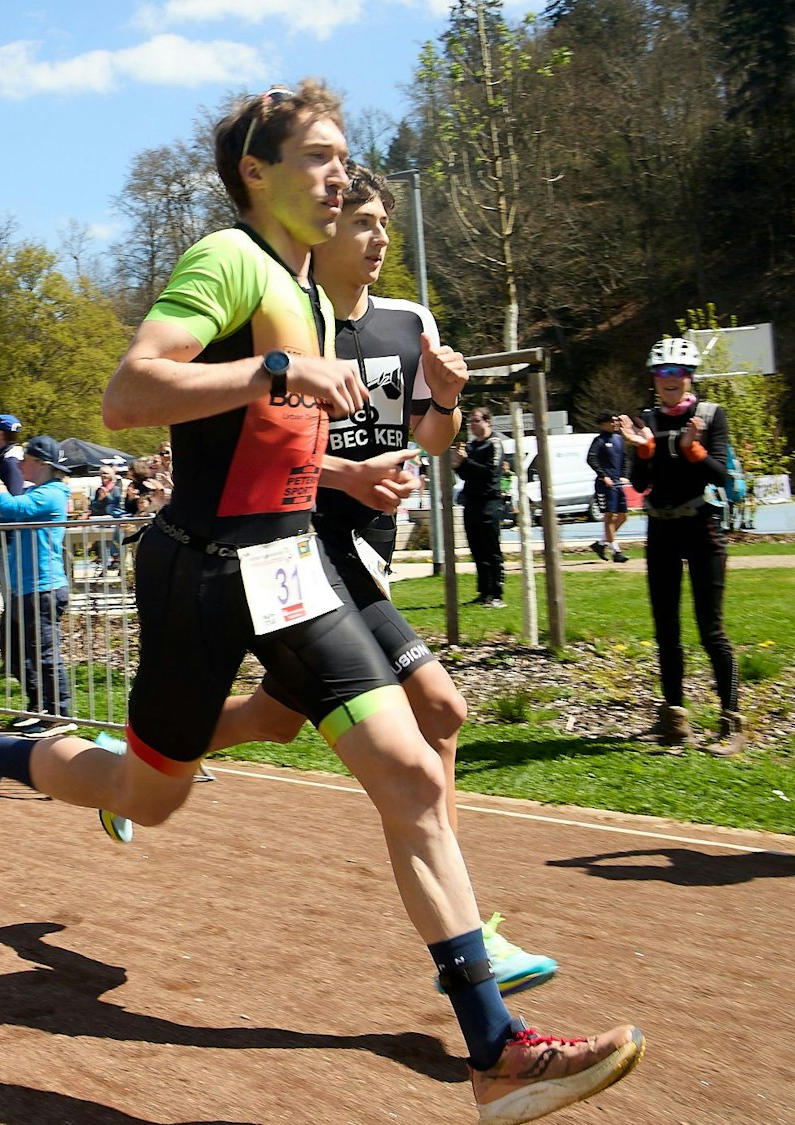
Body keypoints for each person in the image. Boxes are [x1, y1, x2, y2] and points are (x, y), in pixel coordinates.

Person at [0, 82, 639, 1125]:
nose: (338, 174)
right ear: (255, 173)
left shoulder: (312, 291)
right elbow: (128, 394)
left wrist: (344, 453)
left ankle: (495, 1050)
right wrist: (274, 369)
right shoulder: (230, 260)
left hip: (291, 565)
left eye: (342, 156)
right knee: (149, 797)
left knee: (412, 775)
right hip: (202, 572)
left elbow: (282, 437)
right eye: (316, 156)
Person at [200, 161, 557, 996]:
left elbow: (430, 439)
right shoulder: (287, 324)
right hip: (297, 549)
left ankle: (145, 749)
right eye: (362, 222)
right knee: (441, 709)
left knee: (274, 719)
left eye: (385, 224)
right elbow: (252, 453)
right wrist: (348, 476)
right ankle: (469, 936)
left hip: (367, 554)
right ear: (324, 233)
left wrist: (447, 400)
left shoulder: (409, 321)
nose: (379, 238)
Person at [619, 338, 742, 755]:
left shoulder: (710, 415)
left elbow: (720, 474)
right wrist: (642, 450)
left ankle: (731, 720)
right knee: (666, 630)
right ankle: (674, 719)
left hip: (702, 526)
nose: (669, 379)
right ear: (654, 378)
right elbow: (639, 484)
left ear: (690, 376)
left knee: (711, 629)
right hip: (661, 529)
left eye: (677, 372)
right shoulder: (648, 419)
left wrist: (693, 449)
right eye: (661, 372)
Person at [0, 434, 75, 737]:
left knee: (44, 653)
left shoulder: (52, 493)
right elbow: (6, 515)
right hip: (25, 587)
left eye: (25, 460)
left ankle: (60, 713)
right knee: (13, 649)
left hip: (42, 587)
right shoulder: (38, 492)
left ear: (42, 464)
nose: (20, 465)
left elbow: (12, 508)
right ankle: (39, 707)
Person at [453, 408, 507, 607]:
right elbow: (465, 475)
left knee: (491, 549)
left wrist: (466, 461)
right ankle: (484, 592)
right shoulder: (471, 446)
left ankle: (496, 593)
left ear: (487, 422)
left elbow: (490, 472)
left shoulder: (494, 444)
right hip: (471, 501)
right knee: (476, 549)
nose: (472, 425)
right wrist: (459, 463)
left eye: (476, 421)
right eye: (470, 422)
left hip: (489, 502)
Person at [586, 413, 630, 561]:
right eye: (612, 421)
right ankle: (616, 551)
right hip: (605, 484)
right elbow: (591, 458)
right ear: (603, 424)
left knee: (623, 516)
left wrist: (624, 475)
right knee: (609, 516)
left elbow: (624, 458)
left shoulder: (618, 439)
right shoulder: (599, 441)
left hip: (618, 483)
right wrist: (603, 476)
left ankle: (601, 543)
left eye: (616, 421)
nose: (615, 423)